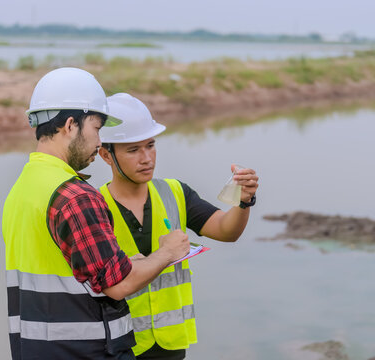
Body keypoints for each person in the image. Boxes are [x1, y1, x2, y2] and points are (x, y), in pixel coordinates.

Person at [2, 68, 190, 360]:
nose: (100, 142)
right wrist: (166, 253)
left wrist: (123, 262)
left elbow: (62, 269)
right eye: (97, 129)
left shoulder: (23, 187)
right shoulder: (75, 196)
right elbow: (119, 286)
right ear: (70, 125)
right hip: (86, 351)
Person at [97, 93, 259, 360]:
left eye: (150, 145)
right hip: (118, 347)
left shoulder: (175, 192)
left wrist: (244, 202)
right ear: (106, 155)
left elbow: (226, 231)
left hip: (170, 347)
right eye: (133, 150)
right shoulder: (93, 206)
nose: (146, 158)